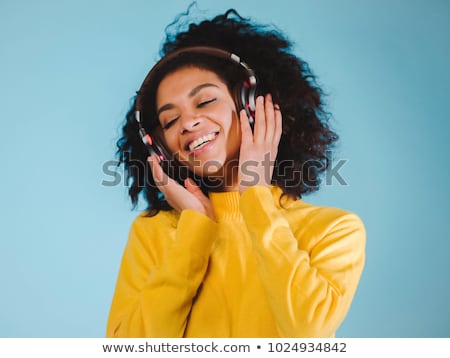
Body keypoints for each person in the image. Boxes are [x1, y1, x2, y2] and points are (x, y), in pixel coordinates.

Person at [106, 8, 366, 338]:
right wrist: (194, 234)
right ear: (161, 147)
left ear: (251, 106)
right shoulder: (153, 234)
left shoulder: (334, 230)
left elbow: (305, 331)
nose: (187, 123)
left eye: (204, 101)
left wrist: (255, 196)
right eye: (170, 121)